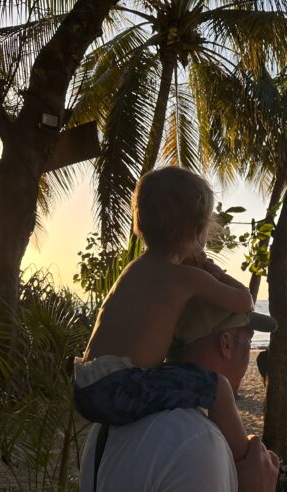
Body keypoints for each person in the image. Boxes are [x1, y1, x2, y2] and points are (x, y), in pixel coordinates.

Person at [79, 299, 280, 492]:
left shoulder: (108, 425)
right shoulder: (197, 443)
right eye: (248, 341)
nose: (249, 354)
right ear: (226, 344)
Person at [75, 167, 253, 461]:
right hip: (120, 389)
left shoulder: (133, 270)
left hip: (87, 384)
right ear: (198, 230)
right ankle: (244, 461)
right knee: (217, 387)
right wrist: (208, 266)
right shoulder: (186, 277)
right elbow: (243, 301)